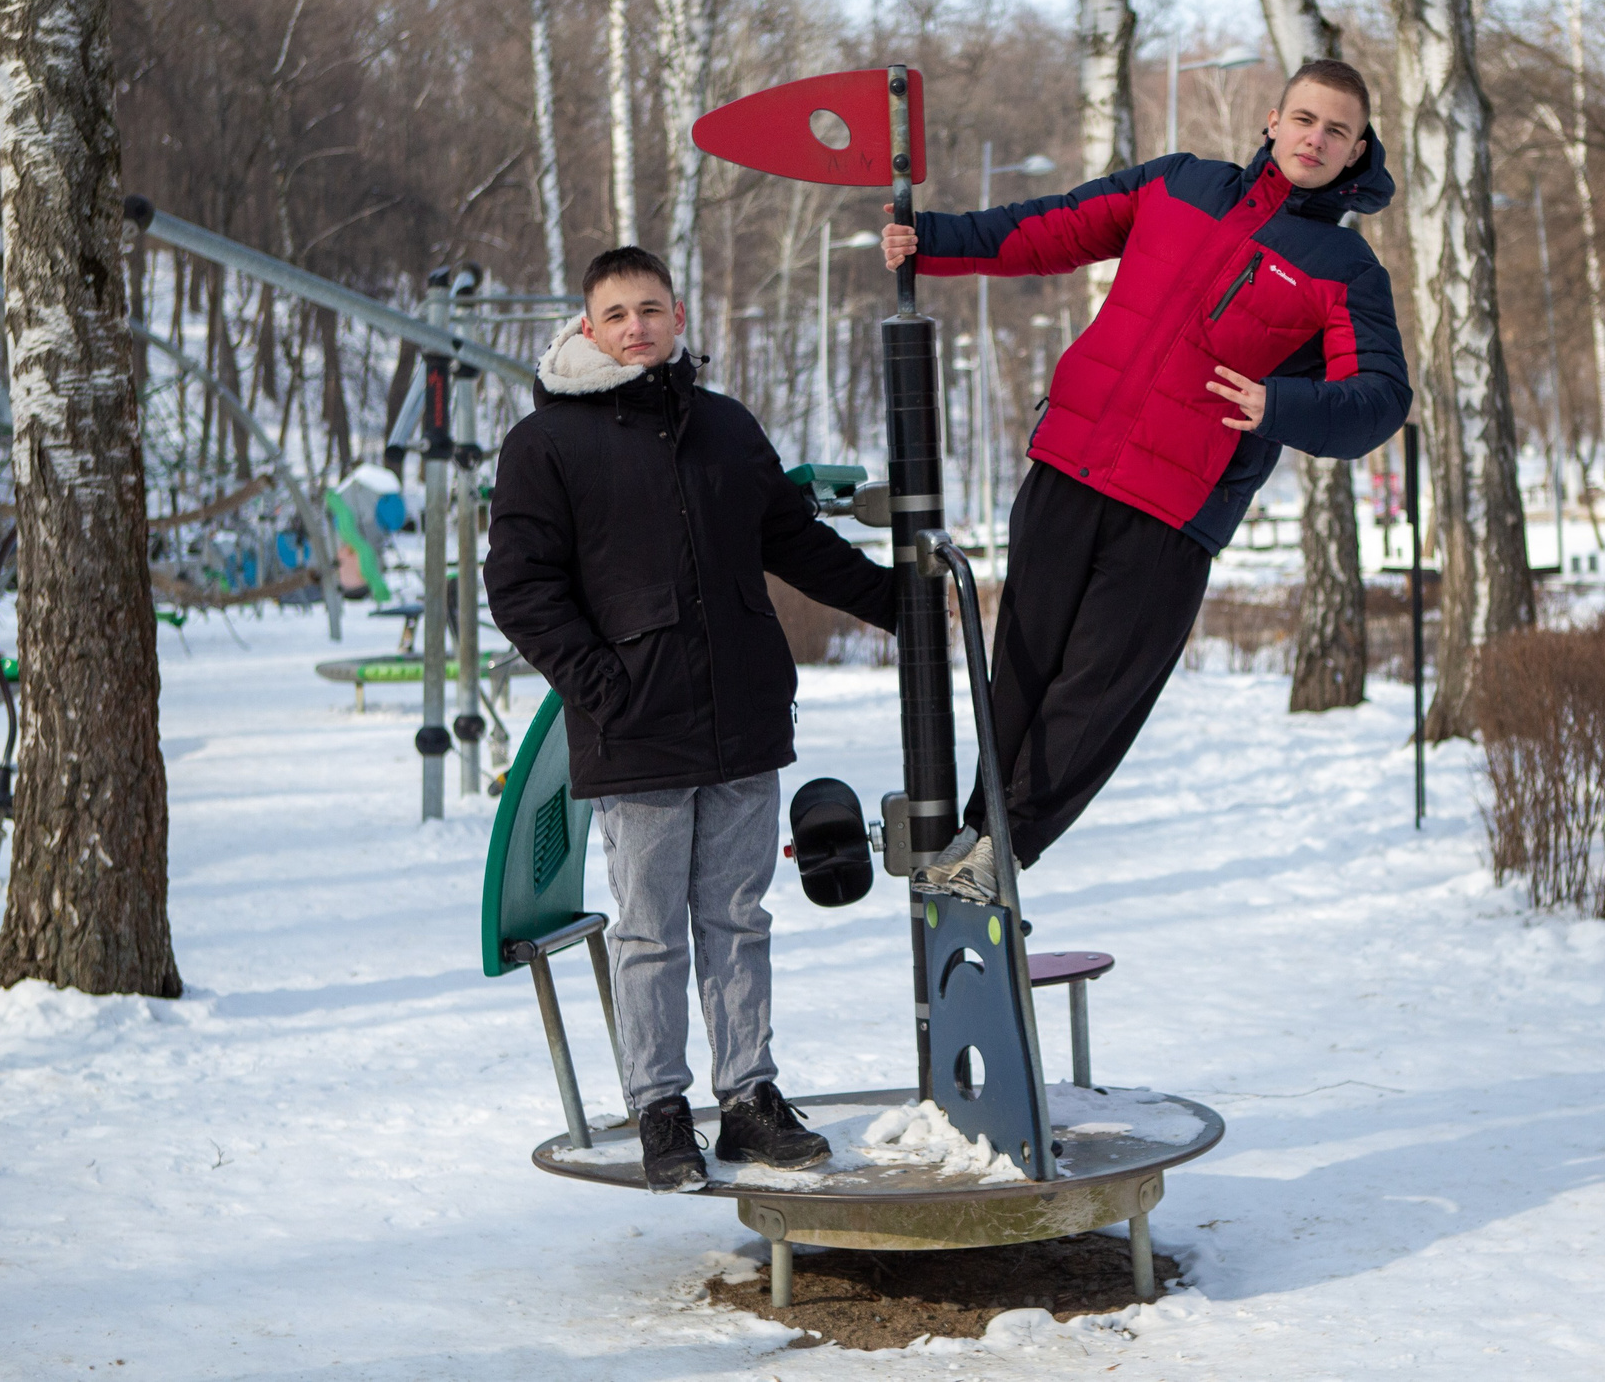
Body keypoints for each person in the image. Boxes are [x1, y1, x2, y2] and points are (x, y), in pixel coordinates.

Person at [881, 58, 1409, 901]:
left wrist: (1278, 404)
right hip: (1071, 463)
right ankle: (979, 837)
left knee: (1094, 693)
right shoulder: (1180, 184)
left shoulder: (1346, 269)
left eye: (1337, 131)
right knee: (1021, 668)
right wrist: (933, 239)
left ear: (1356, 151)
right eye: (1306, 118)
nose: (1316, 138)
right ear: (1274, 121)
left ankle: (1004, 850)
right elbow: (1053, 228)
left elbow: (1379, 398)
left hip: (1173, 513)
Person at [484, 245, 896, 1192]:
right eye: (617, 313)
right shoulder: (546, 444)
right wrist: (603, 687)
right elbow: (521, 588)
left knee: (737, 917)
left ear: (678, 316)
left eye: (651, 309)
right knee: (650, 931)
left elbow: (794, 541)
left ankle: (748, 1098)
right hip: (634, 731)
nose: (636, 326)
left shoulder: (723, 426)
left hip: (742, 714)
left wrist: (897, 602)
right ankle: (661, 1110)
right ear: (589, 328)